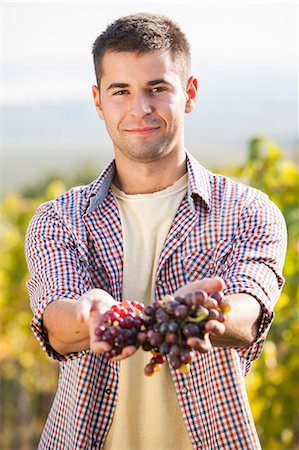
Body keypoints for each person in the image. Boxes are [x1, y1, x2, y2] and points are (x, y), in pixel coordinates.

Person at [25, 13, 287, 450]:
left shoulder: (248, 210)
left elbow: (249, 309)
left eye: (157, 88)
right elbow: (57, 321)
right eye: (121, 91)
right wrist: (91, 318)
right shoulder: (59, 219)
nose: (140, 108)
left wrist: (204, 313)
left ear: (190, 94)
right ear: (98, 101)